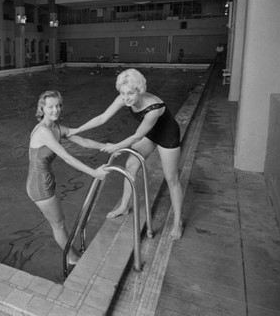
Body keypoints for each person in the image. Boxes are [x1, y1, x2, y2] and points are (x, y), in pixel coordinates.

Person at [69, 68, 184, 239]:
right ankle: (124, 206)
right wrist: (77, 129)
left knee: (171, 179)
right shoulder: (123, 98)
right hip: (150, 133)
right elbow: (102, 118)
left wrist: (116, 146)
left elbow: (137, 136)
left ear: (140, 90)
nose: (126, 98)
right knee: (130, 164)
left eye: (130, 93)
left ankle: (177, 222)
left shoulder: (154, 107)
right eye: (123, 93)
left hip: (167, 135)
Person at [28, 90, 108, 264]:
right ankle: (71, 258)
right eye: (50, 107)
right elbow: (67, 157)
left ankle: (71, 254)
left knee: (60, 222)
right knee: (58, 225)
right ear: (42, 108)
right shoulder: (43, 132)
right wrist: (94, 172)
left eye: (57, 106)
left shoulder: (56, 128)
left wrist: (108, 146)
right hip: (39, 186)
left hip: (46, 181)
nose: (55, 110)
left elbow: (84, 141)